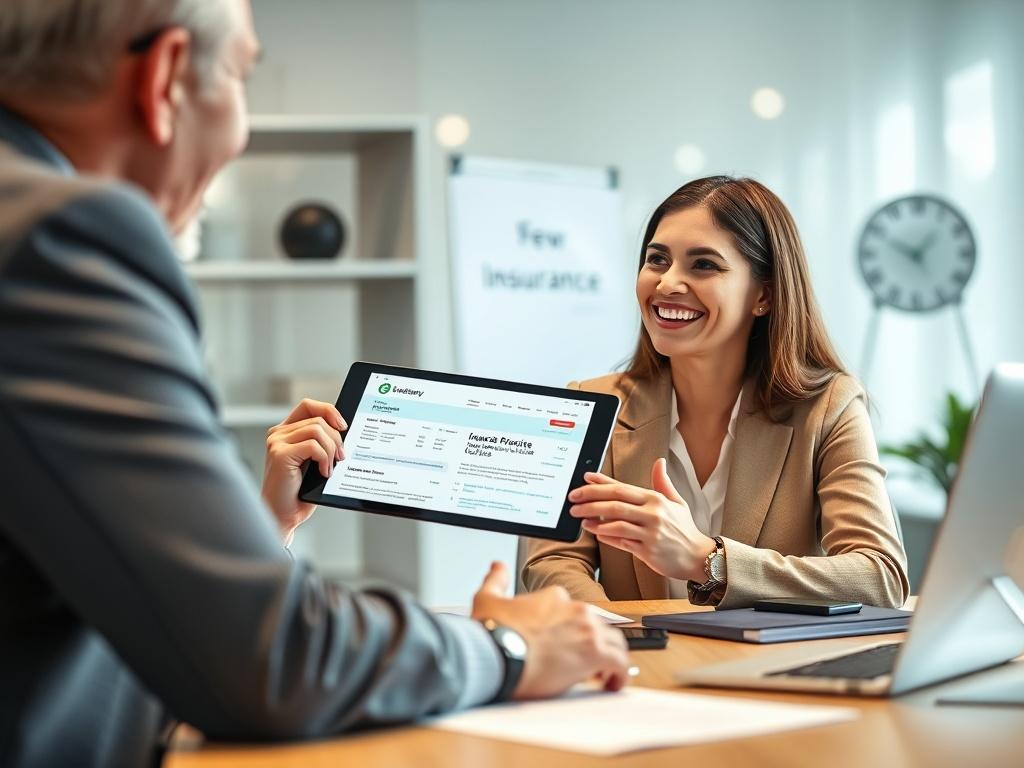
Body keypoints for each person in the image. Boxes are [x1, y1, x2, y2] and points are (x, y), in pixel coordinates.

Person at [0, 2, 629, 767]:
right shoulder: (58, 237)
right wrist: (505, 645)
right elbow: (268, 660)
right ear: (164, 77)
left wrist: (257, 533)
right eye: (238, 77)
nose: (242, 128)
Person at [523, 176, 909, 610]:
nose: (668, 283)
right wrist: (611, 631)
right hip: (633, 667)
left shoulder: (829, 408)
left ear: (763, 294)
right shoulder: (588, 405)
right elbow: (552, 561)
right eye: (657, 260)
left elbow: (880, 577)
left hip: (766, 672)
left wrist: (707, 560)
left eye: (703, 264)